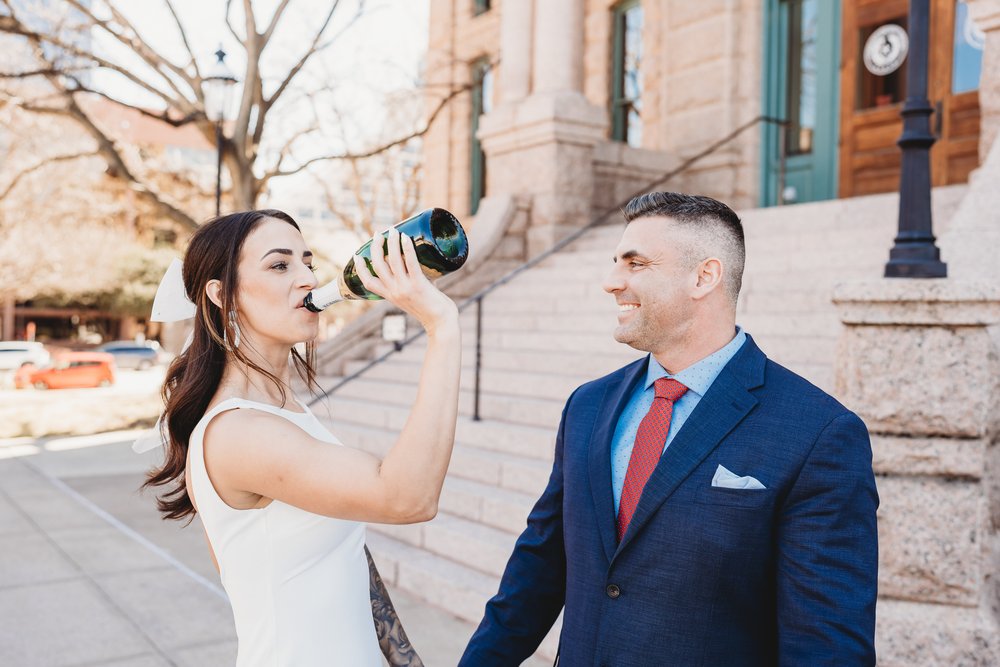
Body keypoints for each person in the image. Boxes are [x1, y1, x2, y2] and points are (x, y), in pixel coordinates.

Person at [460, 192, 879, 666]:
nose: (611, 282)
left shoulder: (819, 433)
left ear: (704, 277)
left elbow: (827, 647)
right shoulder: (587, 405)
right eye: (616, 262)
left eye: (636, 264)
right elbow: (537, 570)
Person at [142, 209, 460, 666]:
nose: (308, 278)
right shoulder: (238, 433)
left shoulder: (287, 413)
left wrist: (406, 660)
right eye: (279, 265)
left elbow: (352, 564)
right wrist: (442, 326)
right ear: (221, 295)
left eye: (307, 262)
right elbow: (409, 498)